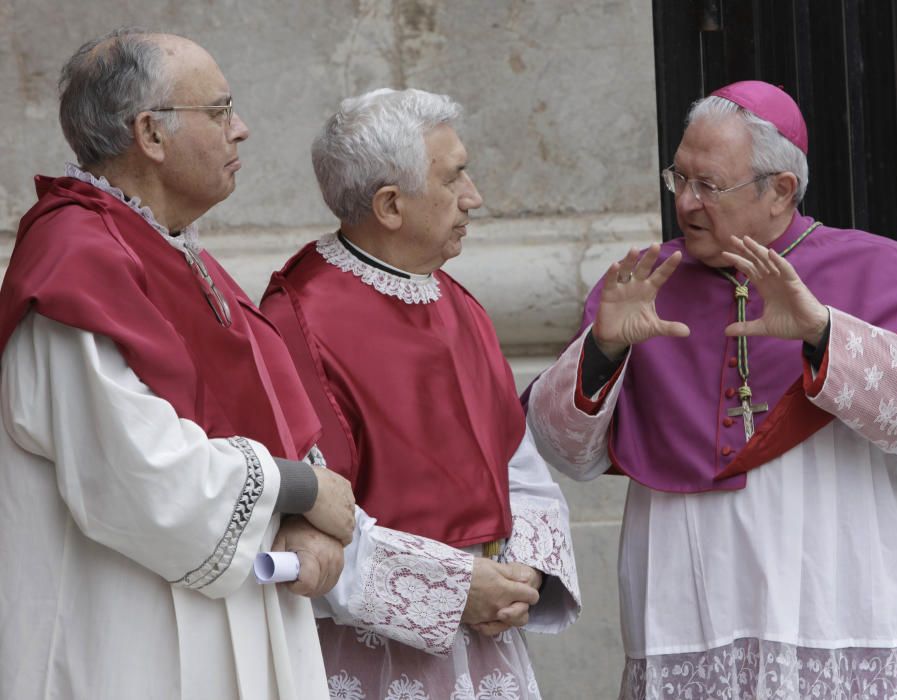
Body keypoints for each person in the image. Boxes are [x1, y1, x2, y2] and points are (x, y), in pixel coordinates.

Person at [524, 80, 897, 699]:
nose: (685, 203)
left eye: (709, 185)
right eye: (678, 179)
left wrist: (822, 334)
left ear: (781, 191)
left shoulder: (877, 270)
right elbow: (568, 454)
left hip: (837, 591)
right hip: (687, 598)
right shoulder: (641, 287)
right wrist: (604, 351)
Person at [0, 29, 356, 699]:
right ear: (150, 135)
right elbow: (136, 476)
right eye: (220, 110)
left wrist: (303, 521)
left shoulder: (171, 252)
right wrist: (300, 491)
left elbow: (264, 413)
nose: (241, 130)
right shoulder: (76, 264)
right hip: (126, 637)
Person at [261, 87, 581, 699]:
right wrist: (456, 590)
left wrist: (524, 574)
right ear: (389, 205)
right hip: (370, 651)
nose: (474, 197)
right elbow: (307, 519)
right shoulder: (300, 323)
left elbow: (515, 458)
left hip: (486, 627)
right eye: (455, 177)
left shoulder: (453, 298)